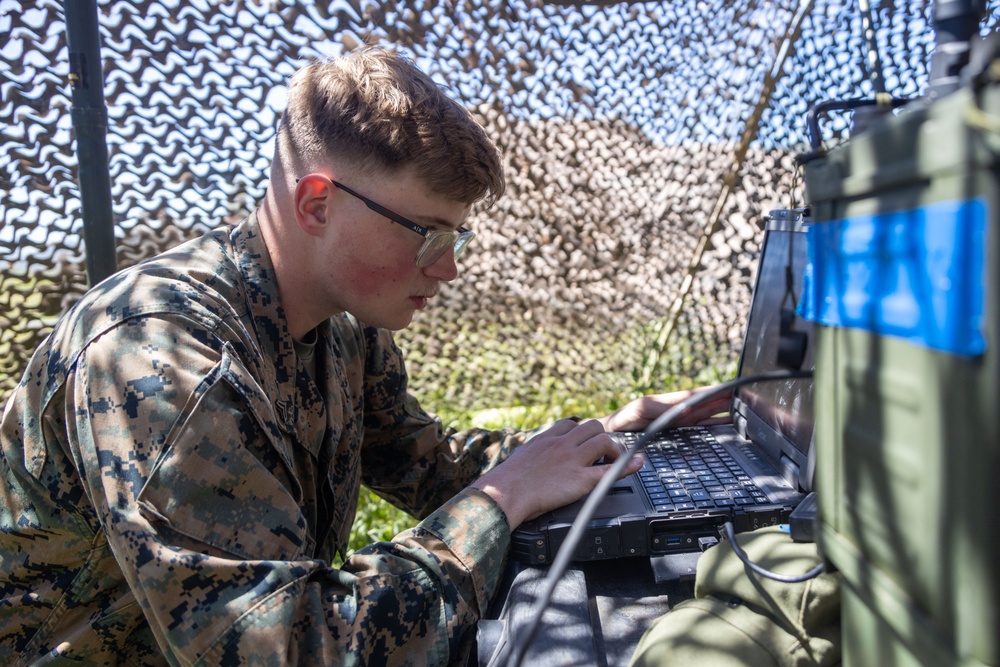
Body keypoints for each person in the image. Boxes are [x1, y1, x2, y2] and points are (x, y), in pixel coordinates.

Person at [0, 47, 728, 666]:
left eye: (456, 239)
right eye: (426, 233)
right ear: (317, 203)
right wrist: (498, 504)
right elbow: (292, 645)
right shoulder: (160, 357)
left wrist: (606, 437)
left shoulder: (343, 328)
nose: (446, 269)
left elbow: (428, 463)